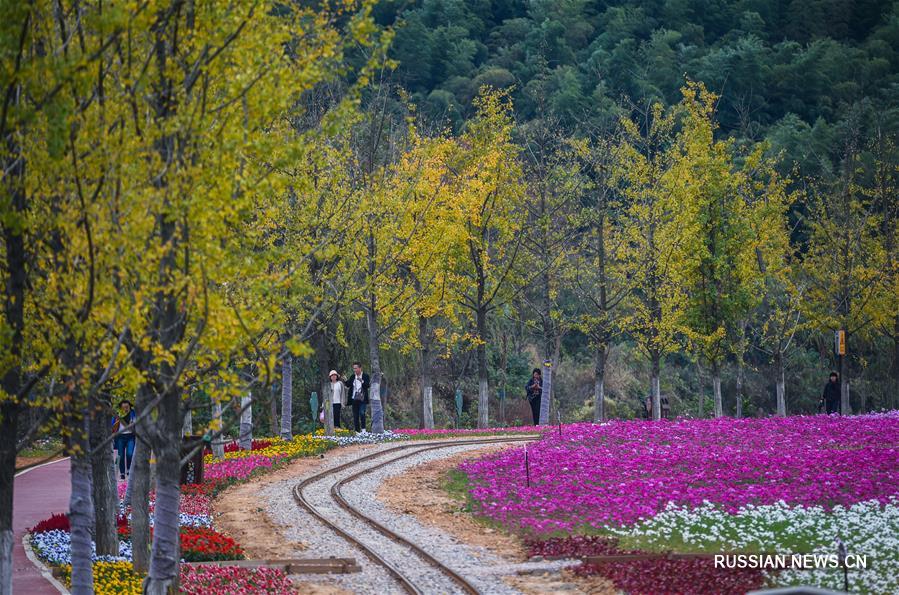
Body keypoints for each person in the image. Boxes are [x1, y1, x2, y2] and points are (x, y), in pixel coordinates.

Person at [112, 400, 136, 480]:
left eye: (127, 407)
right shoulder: (118, 414)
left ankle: (129, 470)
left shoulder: (133, 413)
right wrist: (116, 422)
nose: (125, 409)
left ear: (129, 406)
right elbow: (112, 425)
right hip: (120, 437)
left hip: (130, 436)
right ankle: (122, 473)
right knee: (120, 456)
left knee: (130, 454)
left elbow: (137, 424)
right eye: (123, 407)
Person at [344, 362, 370, 432]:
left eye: (356, 368)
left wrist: (362, 381)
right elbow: (348, 385)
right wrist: (346, 380)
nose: (354, 370)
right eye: (354, 368)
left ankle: (363, 430)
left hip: (362, 398)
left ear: (360, 368)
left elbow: (367, 386)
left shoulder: (365, 376)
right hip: (354, 398)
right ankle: (357, 431)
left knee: (362, 413)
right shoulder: (353, 376)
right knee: (355, 415)